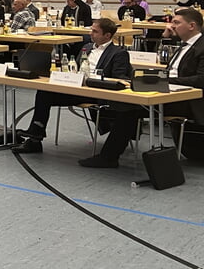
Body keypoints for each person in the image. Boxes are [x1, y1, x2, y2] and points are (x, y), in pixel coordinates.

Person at [78, 9, 204, 168]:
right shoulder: (183, 45)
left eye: (176, 22)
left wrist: (163, 79)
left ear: (192, 26)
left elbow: (200, 79)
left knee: (130, 109)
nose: (172, 26)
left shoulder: (201, 47)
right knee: (124, 102)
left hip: (187, 100)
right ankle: (116, 144)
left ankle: (109, 156)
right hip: (166, 91)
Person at [15, 19, 133, 155]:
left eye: (95, 31)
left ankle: (34, 136)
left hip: (97, 93)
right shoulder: (87, 47)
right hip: (78, 89)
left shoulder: (119, 53)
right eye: (91, 30)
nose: (91, 33)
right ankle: (35, 138)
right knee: (44, 92)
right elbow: (75, 68)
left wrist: (97, 79)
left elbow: (120, 79)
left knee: (45, 94)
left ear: (107, 35)